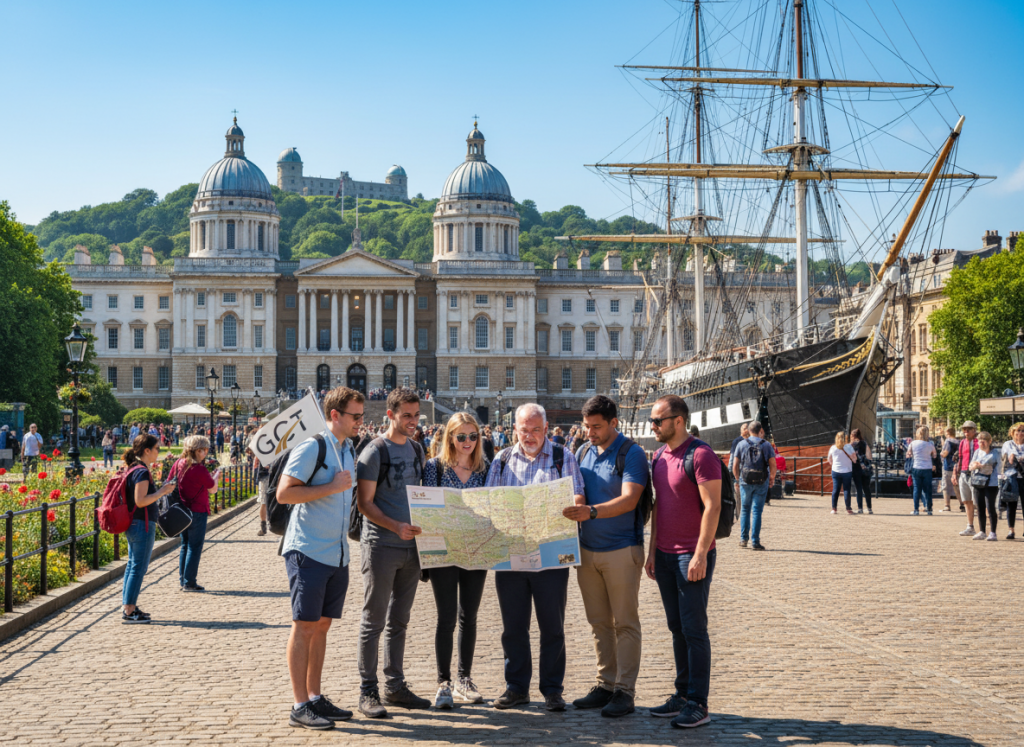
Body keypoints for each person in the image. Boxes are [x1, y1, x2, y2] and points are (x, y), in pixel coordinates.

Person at [485, 403, 586, 713]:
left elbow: (578, 494)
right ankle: (516, 687)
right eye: (523, 430)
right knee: (513, 627)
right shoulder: (502, 460)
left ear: (545, 430)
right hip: (511, 555)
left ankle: (552, 689)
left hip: (550, 556)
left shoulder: (562, 457)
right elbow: (489, 501)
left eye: (535, 430)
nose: (529, 436)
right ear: (515, 429)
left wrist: (571, 507)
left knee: (552, 626)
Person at [275, 387, 361, 729]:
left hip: (336, 552)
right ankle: (299, 705)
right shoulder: (314, 446)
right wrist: (332, 487)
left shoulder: (349, 448)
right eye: (355, 416)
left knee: (322, 626)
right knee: (305, 626)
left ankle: (314, 696)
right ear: (335, 415)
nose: (360, 421)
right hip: (308, 549)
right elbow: (284, 493)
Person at [565, 395, 649, 718]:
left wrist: (592, 512)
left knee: (625, 623)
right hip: (587, 552)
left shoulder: (632, 454)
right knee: (599, 623)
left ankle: (625, 691)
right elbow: (576, 489)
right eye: (586, 426)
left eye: (596, 427)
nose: (590, 433)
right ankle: (605, 683)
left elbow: (630, 500)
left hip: (621, 549)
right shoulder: (583, 451)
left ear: (614, 423)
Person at [645, 394, 721, 729]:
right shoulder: (659, 455)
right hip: (663, 554)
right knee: (676, 628)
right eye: (652, 420)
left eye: (657, 420)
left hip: (692, 554)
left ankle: (699, 702)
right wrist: (651, 550)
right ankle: (681, 694)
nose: (652, 426)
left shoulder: (701, 455)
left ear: (678, 420)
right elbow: (659, 505)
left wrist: (701, 553)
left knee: (694, 629)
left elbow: (713, 507)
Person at [355, 388, 429, 717]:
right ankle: (367, 690)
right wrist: (395, 526)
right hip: (381, 545)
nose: (413, 421)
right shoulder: (374, 452)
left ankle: (395, 686)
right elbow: (364, 504)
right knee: (374, 621)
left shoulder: (416, 448)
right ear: (391, 415)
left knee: (400, 620)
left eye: (416, 415)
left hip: (412, 548)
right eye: (407, 416)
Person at [422, 412, 490, 709]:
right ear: (450, 437)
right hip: (444, 550)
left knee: (470, 616)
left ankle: (464, 678)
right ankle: (443, 682)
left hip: (476, 549)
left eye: (472, 436)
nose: (467, 442)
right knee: (446, 617)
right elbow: (427, 510)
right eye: (461, 436)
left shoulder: (486, 468)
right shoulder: (434, 468)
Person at [120, 434, 177, 624]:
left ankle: (129, 606)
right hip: (141, 523)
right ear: (147, 450)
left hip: (134, 523)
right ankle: (129, 610)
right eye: (157, 449)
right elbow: (140, 500)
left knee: (132, 565)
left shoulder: (134, 468)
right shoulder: (142, 471)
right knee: (138, 567)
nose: (158, 452)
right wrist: (162, 492)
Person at [172, 435, 220, 591]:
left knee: (185, 545)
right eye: (203, 450)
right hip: (198, 510)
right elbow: (212, 489)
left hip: (181, 511)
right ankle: (189, 582)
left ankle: (183, 579)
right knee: (195, 546)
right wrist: (216, 476)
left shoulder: (179, 463)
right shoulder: (199, 468)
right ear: (196, 451)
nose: (205, 453)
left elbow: (169, 482)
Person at [732, 421, 776, 550]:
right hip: (762, 481)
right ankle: (755, 541)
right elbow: (773, 464)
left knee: (745, 510)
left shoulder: (741, 444)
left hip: (745, 480)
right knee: (757, 511)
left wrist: (737, 478)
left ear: (749, 431)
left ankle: (743, 539)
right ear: (760, 430)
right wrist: (772, 478)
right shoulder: (767, 445)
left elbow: (735, 465)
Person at [969, 431, 1000, 541]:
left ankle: (993, 532)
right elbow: (970, 466)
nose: (981, 442)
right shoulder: (977, 452)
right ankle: (982, 531)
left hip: (991, 483)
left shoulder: (995, 453)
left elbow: (998, 468)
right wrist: (975, 466)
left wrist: (981, 465)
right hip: (978, 482)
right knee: (980, 507)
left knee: (990, 507)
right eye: (979, 440)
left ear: (989, 441)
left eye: (984, 440)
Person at [956, 421, 980, 537]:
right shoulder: (962, 443)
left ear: (974, 430)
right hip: (964, 473)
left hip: (975, 473)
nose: (966, 432)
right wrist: (956, 474)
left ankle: (983, 527)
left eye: (969, 430)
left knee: (978, 502)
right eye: (964, 430)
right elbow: (960, 458)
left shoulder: (978, 442)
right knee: (966, 501)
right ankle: (970, 526)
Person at [1000, 422, 1024, 540]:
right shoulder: (1007, 444)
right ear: (1012, 433)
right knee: (1011, 504)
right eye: (1018, 431)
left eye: (1022, 431)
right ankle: (1011, 530)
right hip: (1011, 477)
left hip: (1023, 478)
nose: (1020, 433)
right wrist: (1011, 456)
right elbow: (1005, 458)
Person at [908, 426, 937, 515]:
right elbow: (935, 455)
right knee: (928, 489)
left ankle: (916, 509)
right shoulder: (930, 444)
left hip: (916, 467)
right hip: (927, 468)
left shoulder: (913, 443)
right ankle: (929, 509)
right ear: (927, 434)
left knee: (916, 489)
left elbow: (909, 454)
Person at [827, 431, 856, 515]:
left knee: (836, 489)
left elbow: (829, 459)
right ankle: (848, 508)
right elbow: (855, 458)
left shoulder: (833, 447)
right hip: (847, 471)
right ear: (845, 438)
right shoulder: (849, 447)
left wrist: (834, 464)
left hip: (836, 471)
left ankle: (834, 509)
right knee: (847, 489)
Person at [849, 428, 873, 515]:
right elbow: (869, 456)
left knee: (858, 488)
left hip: (856, 468)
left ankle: (860, 508)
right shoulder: (865, 443)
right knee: (866, 488)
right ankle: (869, 508)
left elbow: (850, 457)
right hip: (866, 469)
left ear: (853, 436)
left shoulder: (851, 445)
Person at [939, 426, 962, 513]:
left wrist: (941, 453)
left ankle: (947, 505)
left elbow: (945, 453)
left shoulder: (948, 441)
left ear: (947, 433)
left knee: (946, 487)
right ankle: (962, 504)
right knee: (957, 486)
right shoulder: (959, 442)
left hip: (947, 466)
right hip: (957, 467)